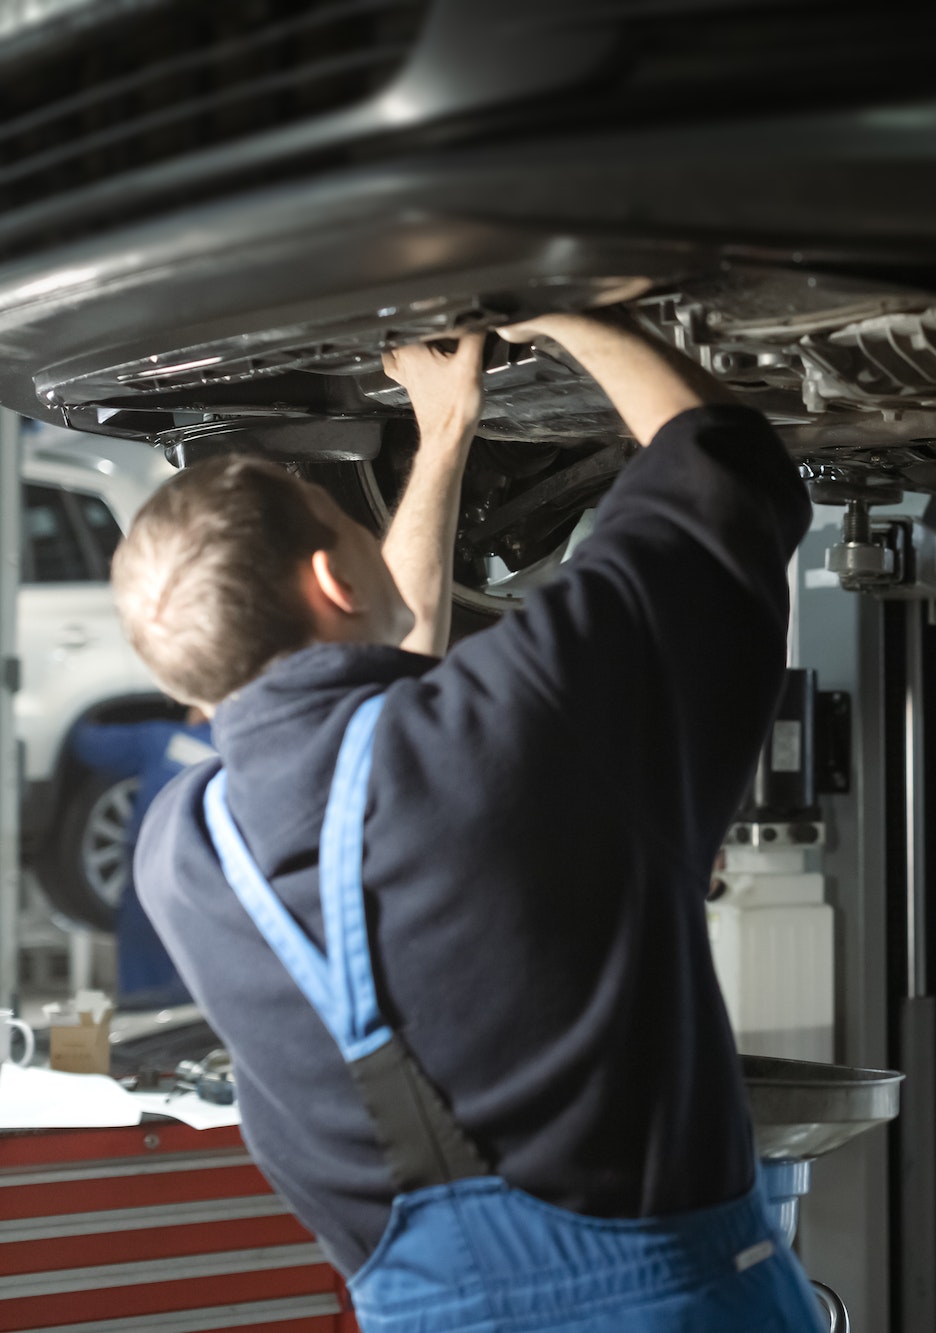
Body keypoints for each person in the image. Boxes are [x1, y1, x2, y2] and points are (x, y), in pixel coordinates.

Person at [114, 313, 822, 1332]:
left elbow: (376, 709)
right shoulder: (523, 716)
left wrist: (444, 436)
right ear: (331, 579)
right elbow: (724, 470)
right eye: (338, 510)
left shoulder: (183, 853)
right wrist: (588, 309)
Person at [67, 705, 214, 1006]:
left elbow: (87, 743)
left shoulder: (161, 738)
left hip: (151, 869)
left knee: (144, 985)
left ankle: (144, 1012)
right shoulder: (241, 751)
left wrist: (78, 709)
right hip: (214, 877)